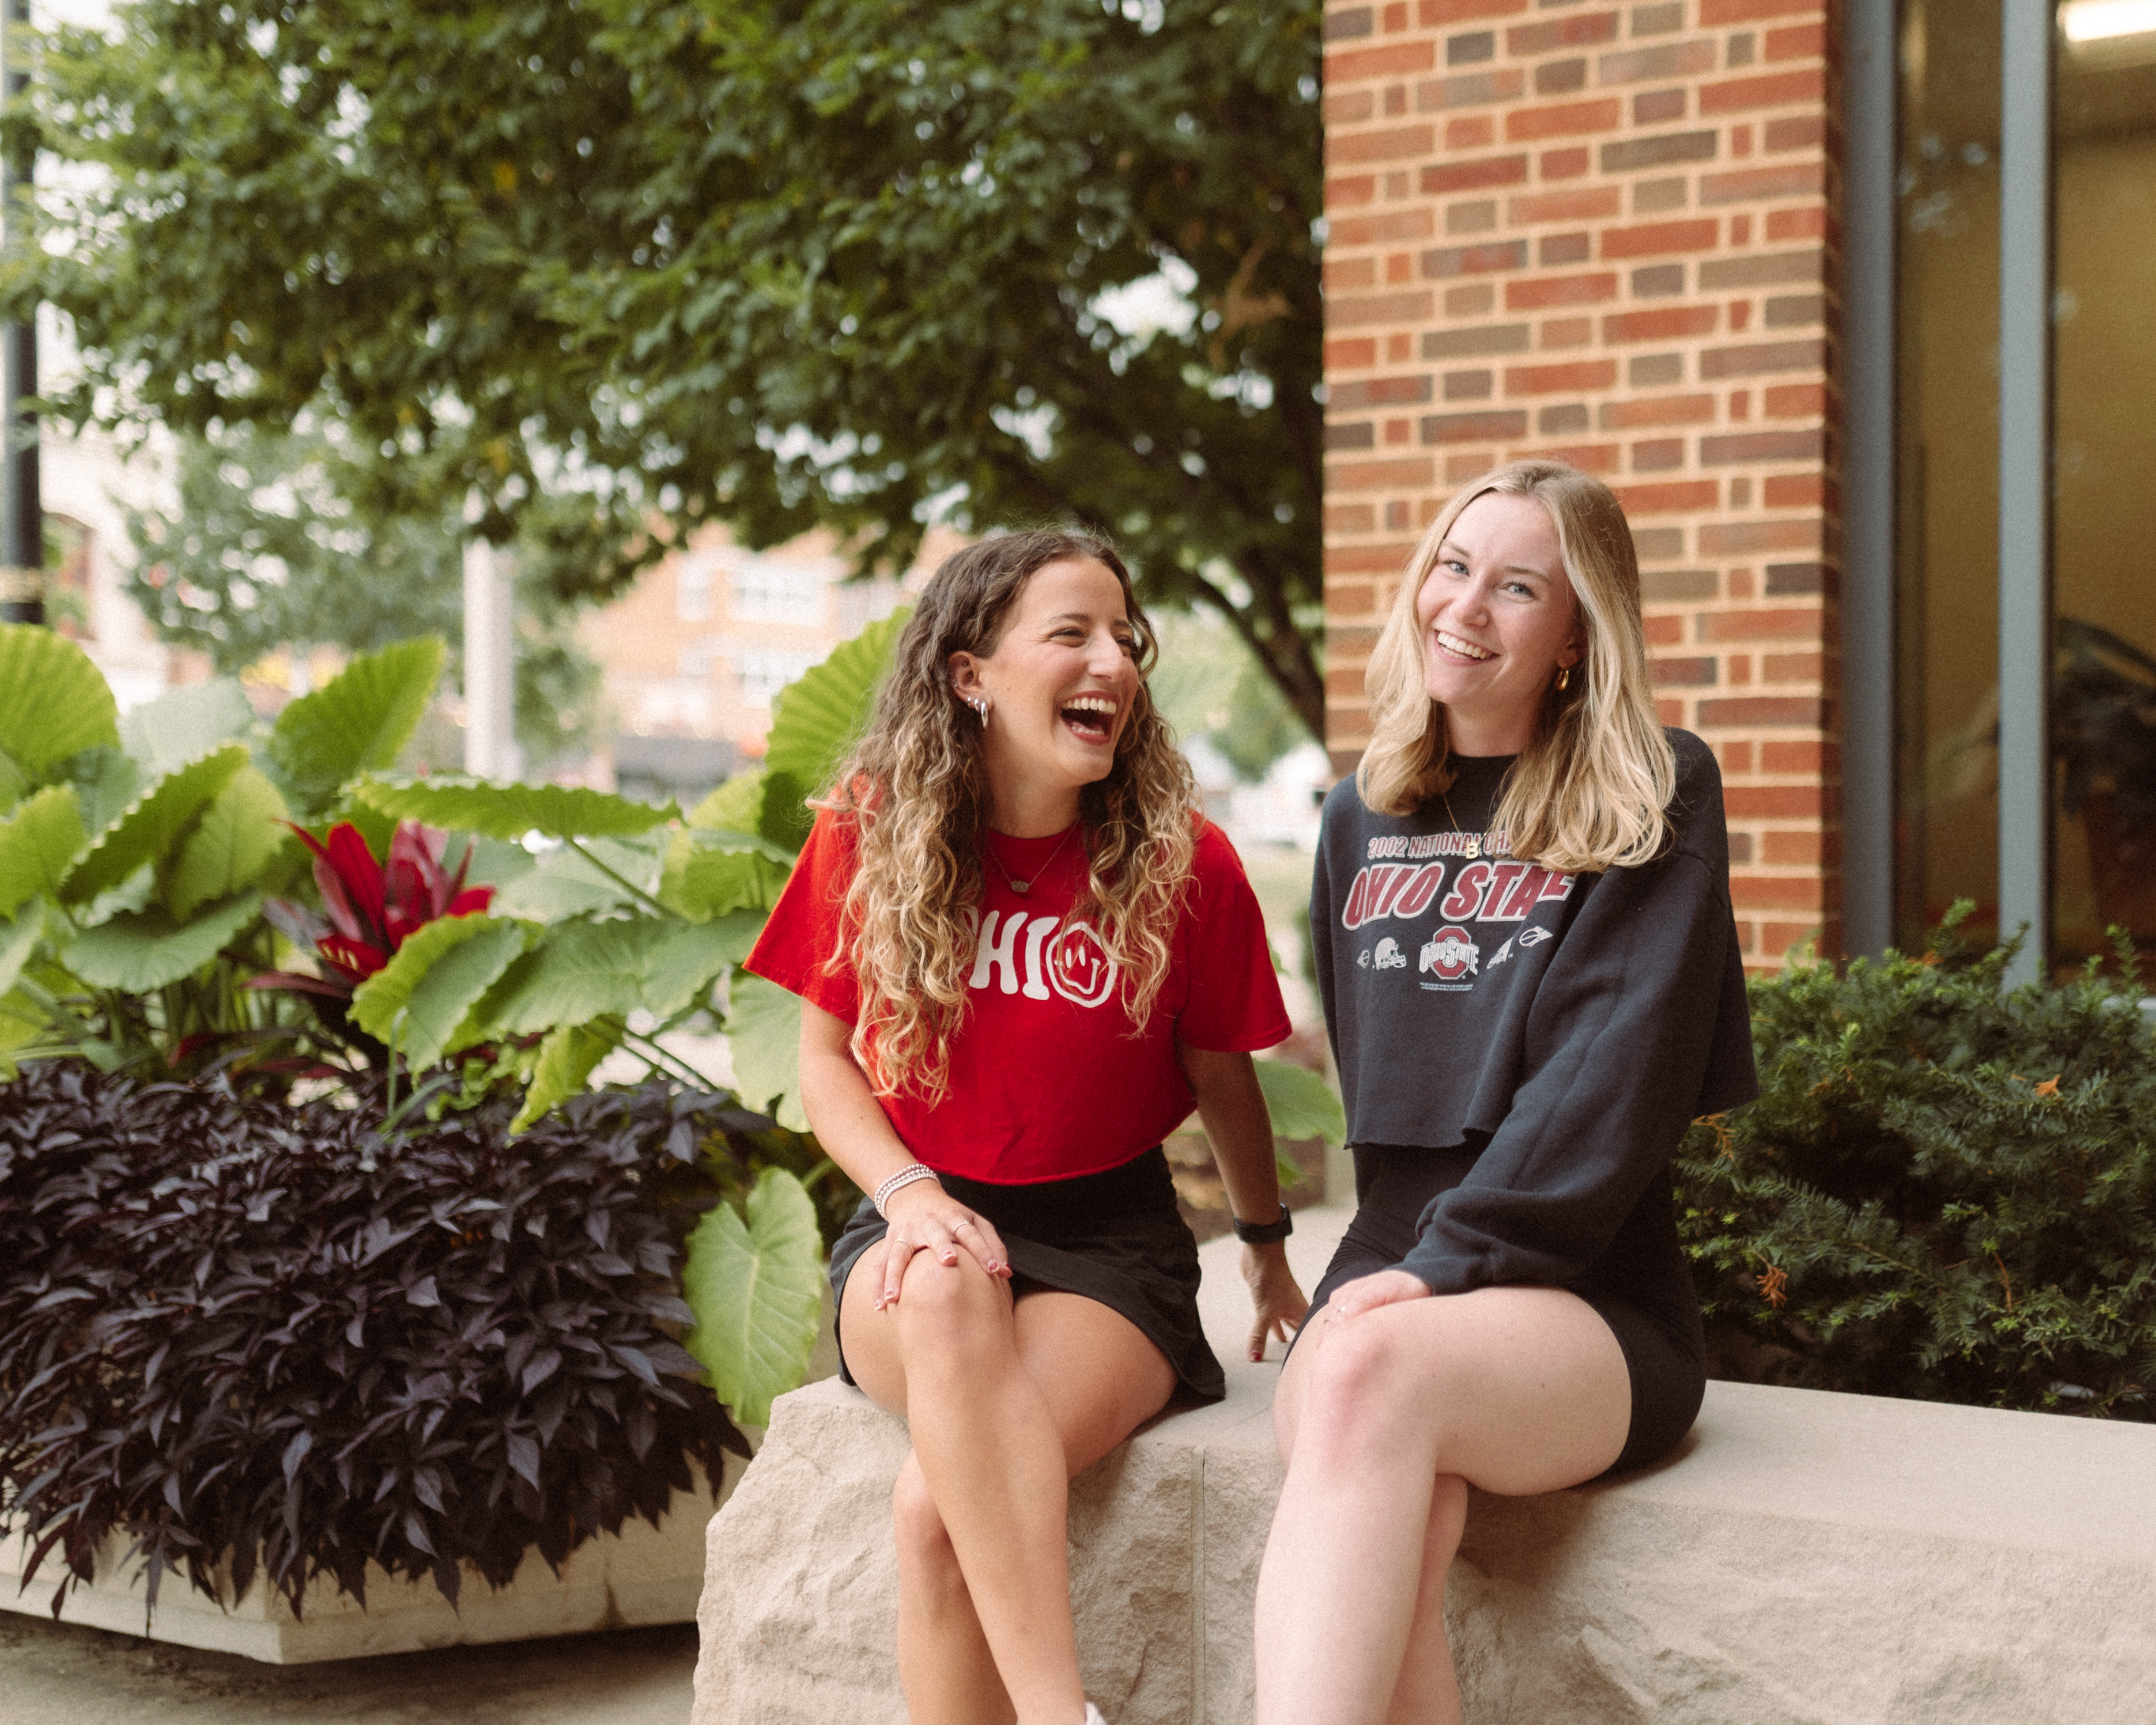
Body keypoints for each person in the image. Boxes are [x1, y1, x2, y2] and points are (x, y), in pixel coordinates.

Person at [745, 528, 1310, 1725]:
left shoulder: (1183, 865)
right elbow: (825, 1064)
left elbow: (1221, 1074)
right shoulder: (872, 832)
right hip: (915, 1214)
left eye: (1125, 637)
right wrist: (909, 1195)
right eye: (1072, 634)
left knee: (935, 1516)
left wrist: (1263, 1246)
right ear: (969, 674)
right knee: (944, 1277)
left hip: (1107, 1247)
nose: (1112, 658)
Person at [1252, 460, 1757, 1724]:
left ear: (1578, 635)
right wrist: (1382, 1282)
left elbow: (1611, 1086)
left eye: (1519, 586)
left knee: (1360, 1380)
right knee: (1395, 1526)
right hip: (1389, 1269)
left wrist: (1431, 1274)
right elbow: (1376, 1087)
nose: (1465, 607)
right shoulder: (1355, 818)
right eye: (1454, 564)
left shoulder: (1654, 789)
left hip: (1583, 1291)